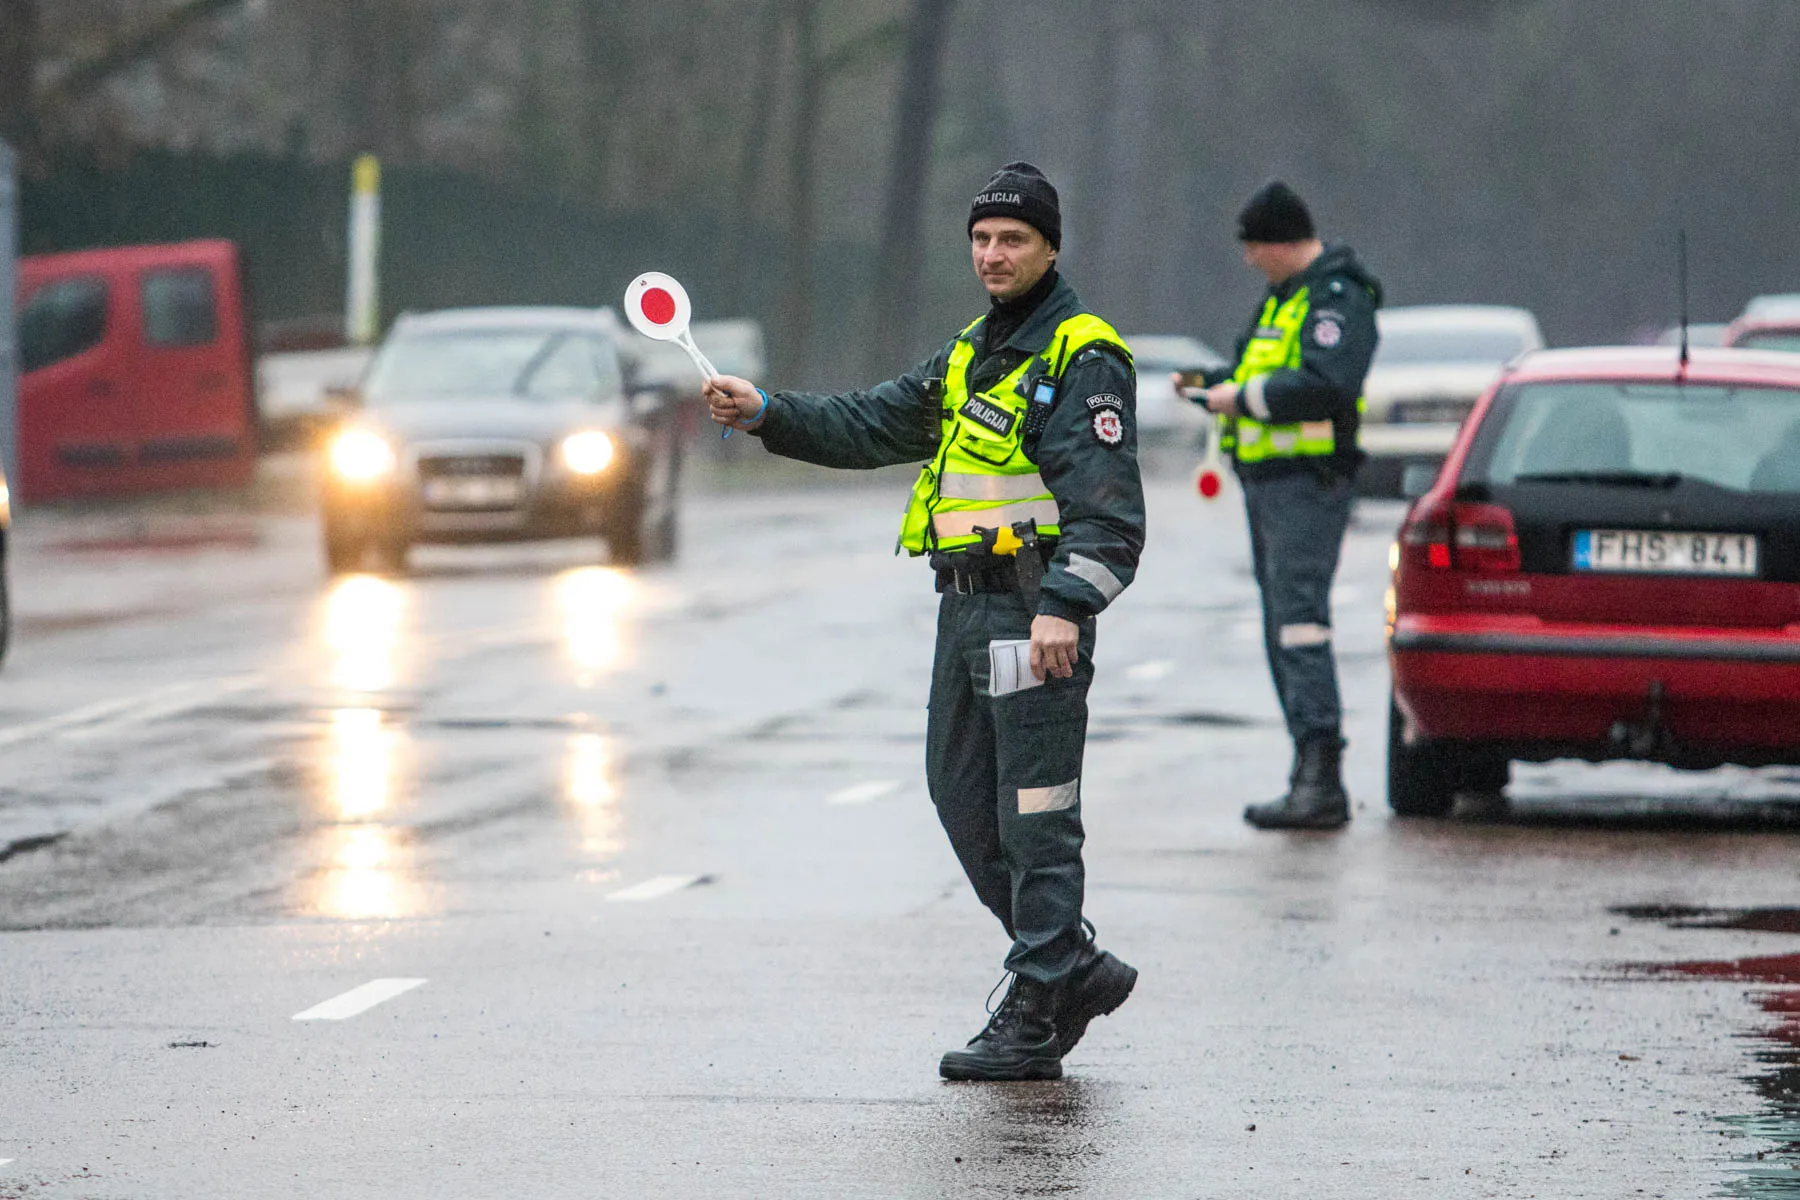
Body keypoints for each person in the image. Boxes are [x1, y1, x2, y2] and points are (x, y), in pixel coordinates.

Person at [704, 162, 1142, 1081]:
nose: (993, 253)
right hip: (965, 610)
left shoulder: (1080, 354)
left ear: (1050, 247)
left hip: (1031, 615)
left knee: (1036, 814)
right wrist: (767, 414)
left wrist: (1066, 605)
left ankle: (1038, 998)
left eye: (1012, 239)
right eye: (982, 238)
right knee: (960, 797)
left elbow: (1108, 510)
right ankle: (1070, 966)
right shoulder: (972, 350)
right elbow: (870, 424)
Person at [1181, 180, 1382, 831]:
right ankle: (1306, 768)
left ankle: (1322, 774)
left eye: (1253, 247)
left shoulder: (1335, 297)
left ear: (1280, 242)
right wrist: (1213, 386)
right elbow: (1258, 373)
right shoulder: (1283, 300)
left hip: (1307, 483)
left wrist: (1239, 399)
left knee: (1299, 624)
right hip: (1267, 483)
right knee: (1281, 624)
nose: (1248, 260)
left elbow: (1327, 382)